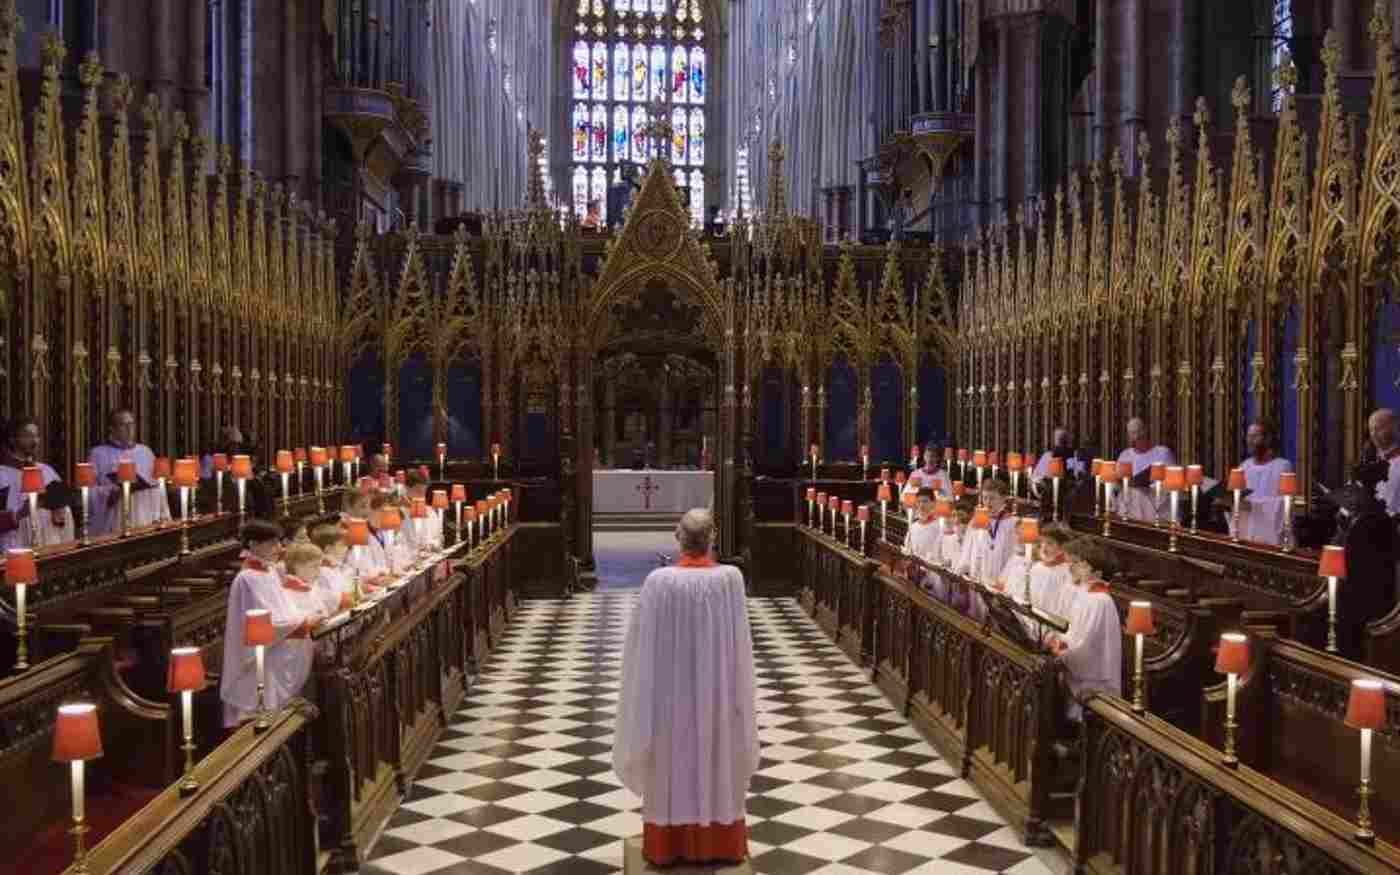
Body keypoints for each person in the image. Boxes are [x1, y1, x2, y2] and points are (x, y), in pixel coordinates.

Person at [613, 509, 759, 867]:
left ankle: (668, 845)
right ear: (713, 538)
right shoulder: (731, 580)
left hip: (670, 696)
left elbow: (639, 646)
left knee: (672, 761)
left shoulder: (658, 582)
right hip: (718, 695)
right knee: (716, 756)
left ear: (678, 536)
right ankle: (720, 843)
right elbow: (741, 647)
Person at [219, 520, 324, 728]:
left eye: (279, 542)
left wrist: (306, 616)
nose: (280, 548)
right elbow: (268, 623)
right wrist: (304, 621)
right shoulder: (248, 578)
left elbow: (285, 609)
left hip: (278, 646)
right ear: (253, 544)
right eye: (272, 543)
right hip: (261, 657)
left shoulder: (269, 571)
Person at [1049, 560, 1122, 720]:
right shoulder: (1086, 594)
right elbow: (1075, 631)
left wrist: (1063, 654)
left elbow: (1087, 643)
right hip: (1080, 663)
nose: (1075, 566)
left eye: (1083, 565)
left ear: (1097, 574)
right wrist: (1060, 641)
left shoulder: (1100, 601)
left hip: (1094, 677)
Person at [87, 409, 171, 535]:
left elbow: (157, 486)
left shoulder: (145, 452)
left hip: (144, 515)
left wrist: (163, 513)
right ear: (112, 428)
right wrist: (111, 492)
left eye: (131, 424)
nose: (129, 429)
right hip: (115, 518)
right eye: (123, 425)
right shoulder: (98, 454)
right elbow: (88, 490)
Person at [0, 417, 73, 549]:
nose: (34, 441)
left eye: (37, 436)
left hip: (48, 542)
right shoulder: (2, 474)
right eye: (27, 436)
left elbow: (63, 511)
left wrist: (60, 513)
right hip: (16, 546)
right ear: (12, 439)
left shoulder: (47, 470)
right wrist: (21, 513)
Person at [1225, 422, 1295, 546]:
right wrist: (1229, 500)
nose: (1249, 441)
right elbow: (1237, 499)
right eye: (1248, 436)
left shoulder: (1282, 466)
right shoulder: (1244, 466)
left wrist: (1254, 505)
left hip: (1271, 537)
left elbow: (1285, 503)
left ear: (1267, 439)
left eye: (1254, 436)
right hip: (1245, 534)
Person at [1116, 418, 1176, 522]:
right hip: (1131, 501)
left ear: (1145, 431)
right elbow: (1118, 483)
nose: (1136, 436)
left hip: (1157, 500)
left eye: (1138, 431)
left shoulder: (1162, 452)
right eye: (1132, 433)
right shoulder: (1125, 455)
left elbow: (1173, 480)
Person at [1370, 408, 1400, 514]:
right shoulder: (1368, 463)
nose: (1373, 434)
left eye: (1378, 428)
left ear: (1395, 428)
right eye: (1371, 430)